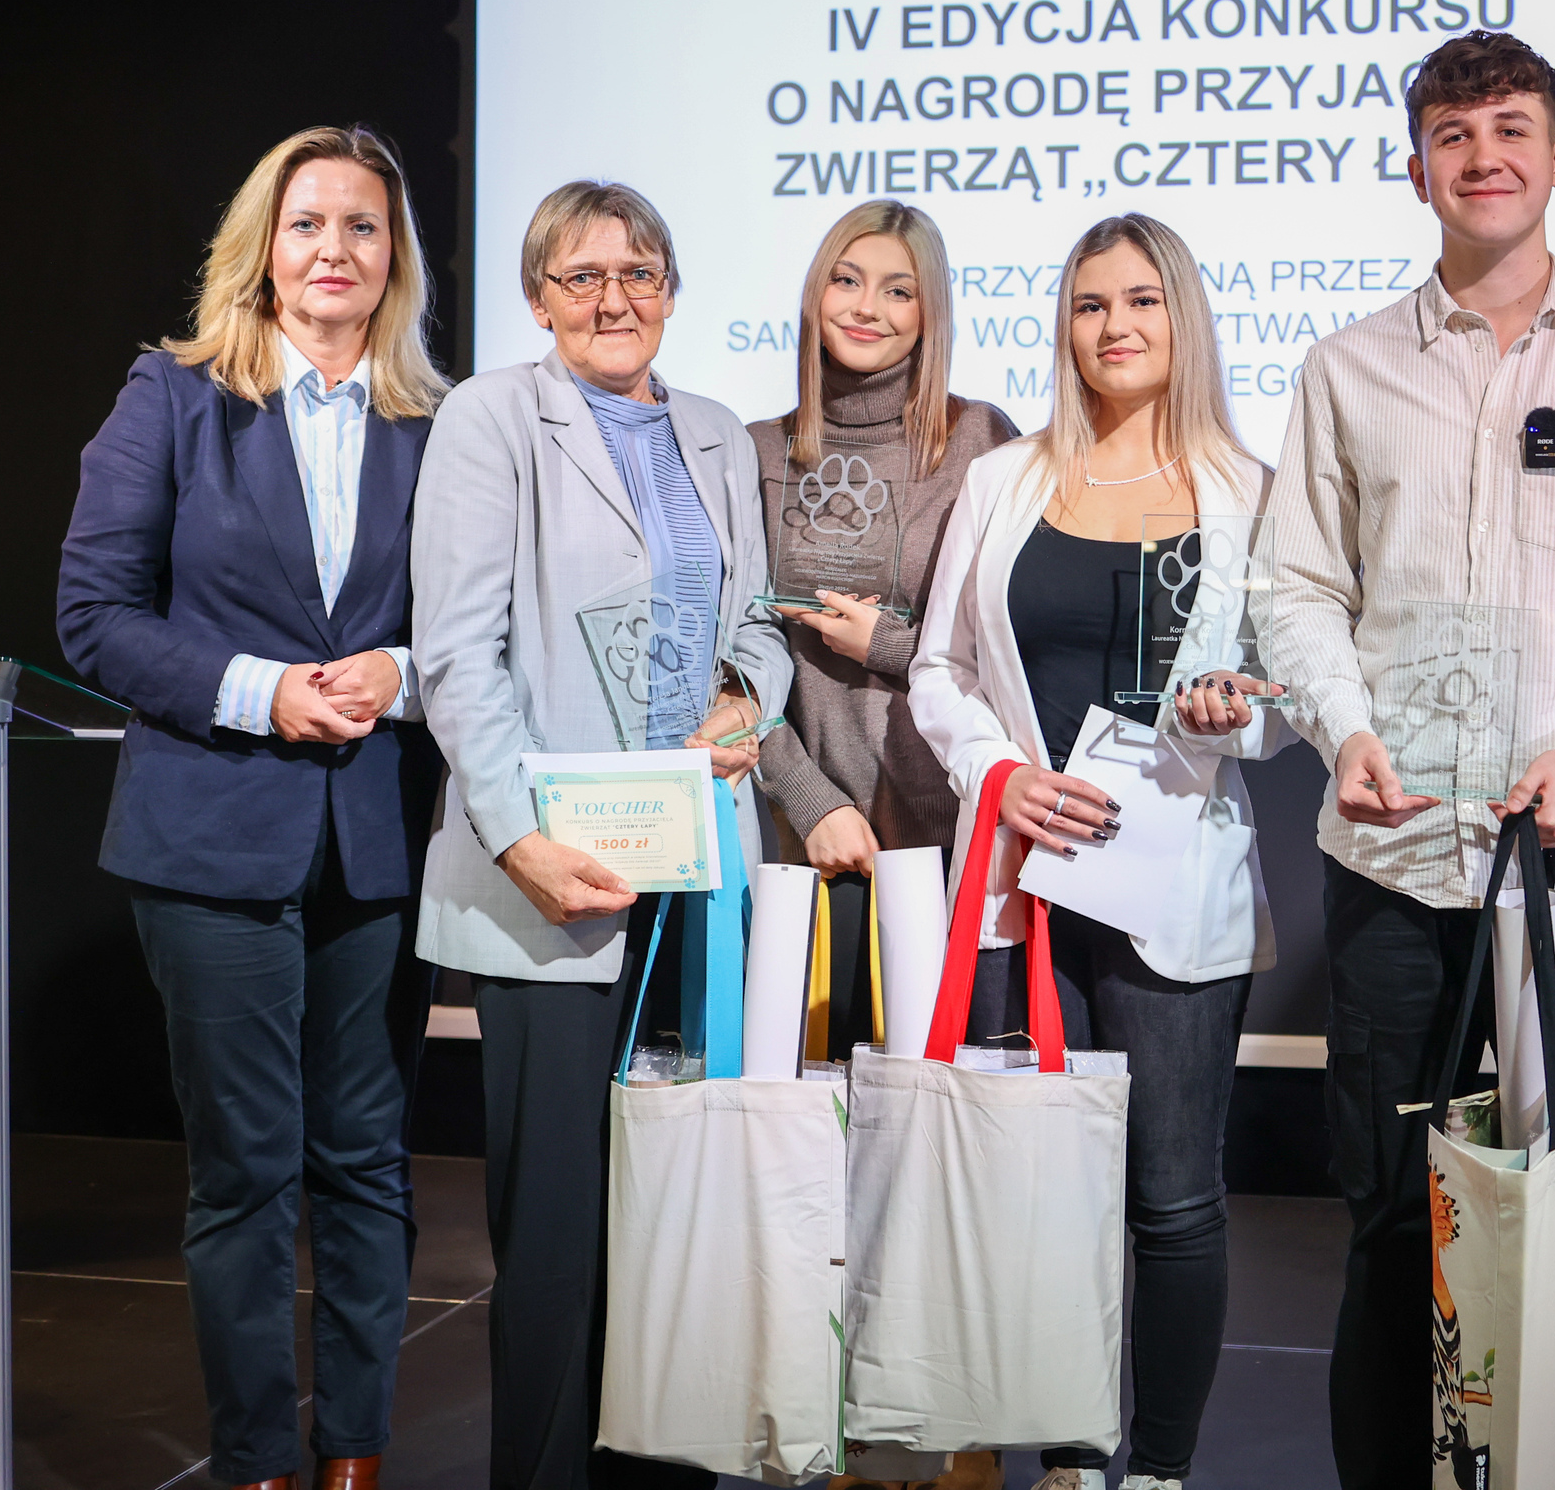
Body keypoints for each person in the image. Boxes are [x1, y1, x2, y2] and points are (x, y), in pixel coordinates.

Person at [1264, 30, 1555, 1490]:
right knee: (1388, 1227)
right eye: (1455, 136)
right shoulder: (1345, 369)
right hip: (1396, 863)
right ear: (1416, 169)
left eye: (1512, 129)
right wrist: (1342, 729)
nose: (1485, 157)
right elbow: (1296, 589)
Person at [56, 124, 449, 1490]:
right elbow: (95, 615)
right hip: (209, 838)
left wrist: (402, 671)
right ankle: (258, 1458)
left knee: (368, 1159)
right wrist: (259, 692)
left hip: (378, 843)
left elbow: (481, 622)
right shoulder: (171, 397)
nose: (335, 248)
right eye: (307, 224)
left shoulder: (441, 423)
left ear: (395, 257)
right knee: (245, 1169)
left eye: (362, 225)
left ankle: (356, 1451)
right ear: (262, 250)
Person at [409, 180, 789, 1490]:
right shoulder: (490, 419)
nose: (615, 297)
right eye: (583, 276)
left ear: (672, 290)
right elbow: (456, 657)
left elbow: (759, 624)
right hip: (554, 881)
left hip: (697, 874)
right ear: (538, 298)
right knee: (560, 1231)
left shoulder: (716, 432)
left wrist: (744, 701)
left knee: (681, 1212)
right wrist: (520, 841)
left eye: (640, 272)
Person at [909, 212, 1288, 1490]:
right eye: (1089, 304)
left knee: (1172, 1198)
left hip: (1174, 889)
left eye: (1140, 301)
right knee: (1043, 1192)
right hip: (1025, 887)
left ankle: (1160, 1469)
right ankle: (1071, 1460)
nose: (1115, 326)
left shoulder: (1255, 494)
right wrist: (999, 775)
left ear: (1185, 316)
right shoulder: (1005, 482)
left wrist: (1244, 717)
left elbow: (1292, 698)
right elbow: (940, 671)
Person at [744, 200, 1016, 1060]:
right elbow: (728, 664)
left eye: (899, 290)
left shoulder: (982, 442)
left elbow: (1010, 649)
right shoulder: (754, 451)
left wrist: (890, 646)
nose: (868, 308)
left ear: (930, 313)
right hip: (804, 840)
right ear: (815, 293)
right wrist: (806, 797)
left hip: (949, 843)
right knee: (806, 1118)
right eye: (847, 280)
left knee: (936, 1116)